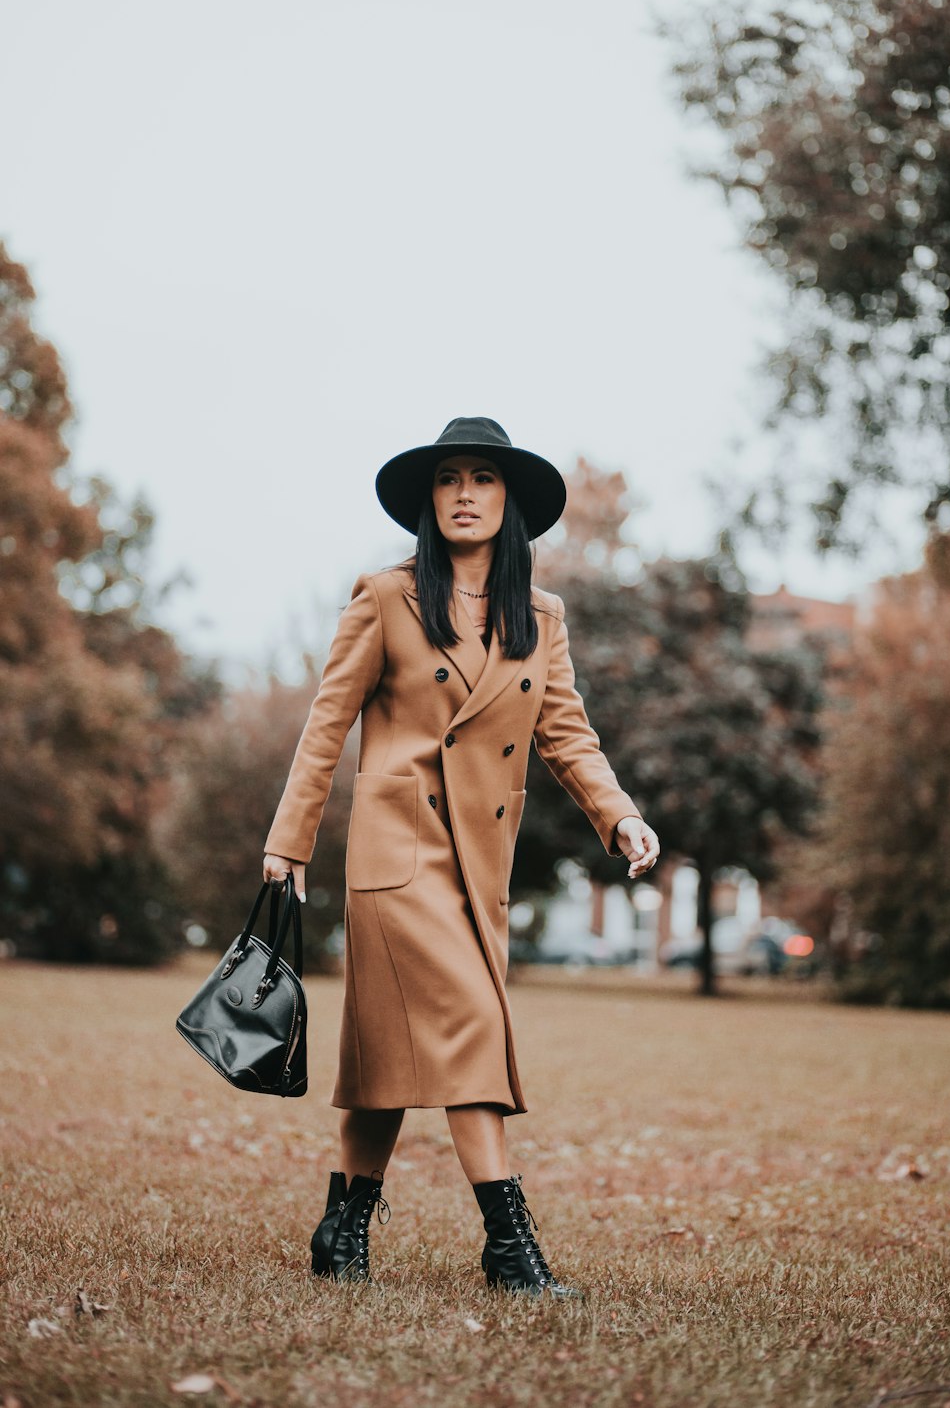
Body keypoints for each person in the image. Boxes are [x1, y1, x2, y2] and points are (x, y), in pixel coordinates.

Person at [262, 416, 659, 1297]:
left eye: (483, 478)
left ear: (509, 499)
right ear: (429, 500)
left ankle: (341, 1228)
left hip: (479, 866)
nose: (466, 494)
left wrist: (619, 815)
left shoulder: (540, 616)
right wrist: (290, 840)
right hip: (395, 861)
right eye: (450, 480)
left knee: (384, 1065)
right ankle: (510, 1249)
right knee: (474, 1026)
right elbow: (327, 723)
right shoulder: (386, 595)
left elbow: (566, 733)